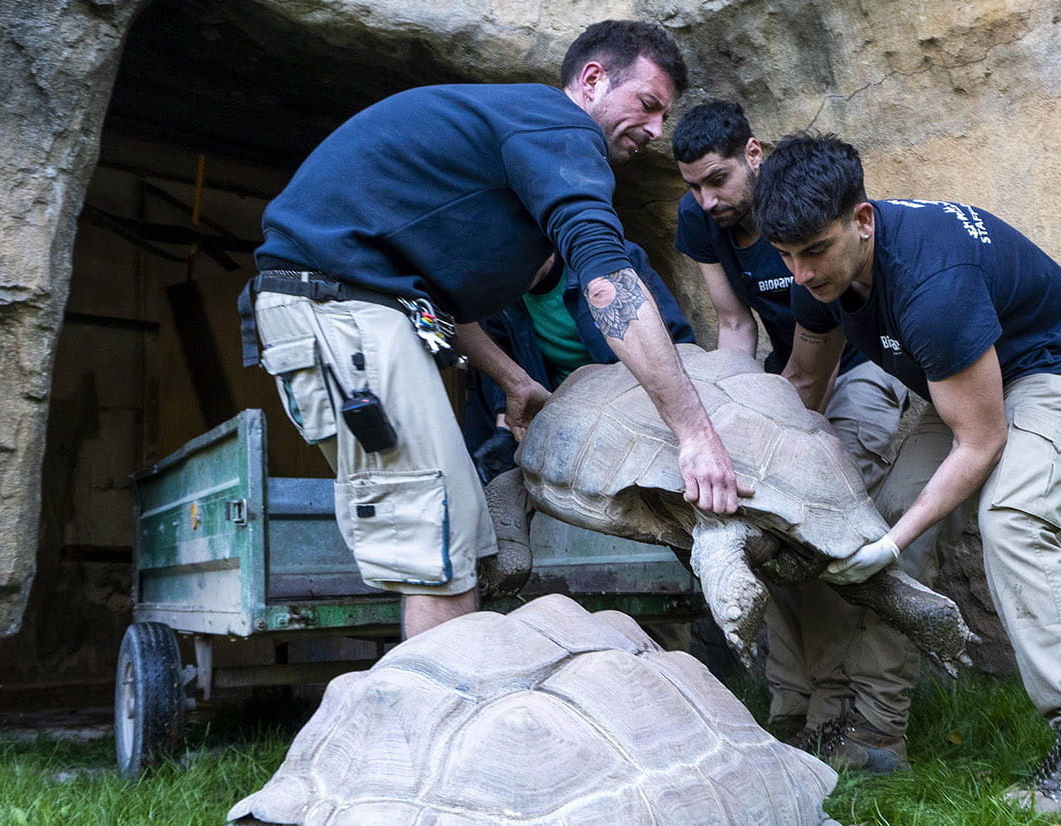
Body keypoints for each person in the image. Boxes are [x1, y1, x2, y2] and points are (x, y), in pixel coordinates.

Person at [242, 20, 746, 641]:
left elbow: (433, 300)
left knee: (464, 532)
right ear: (591, 81)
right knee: (441, 548)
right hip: (340, 307)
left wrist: (514, 380)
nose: (654, 130)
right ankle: (441, 731)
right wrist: (694, 434)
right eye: (647, 105)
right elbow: (606, 280)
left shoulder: (512, 137)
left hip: (366, 307)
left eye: (663, 116)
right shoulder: (558, 127)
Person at [754, 134, 1061, 815]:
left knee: (1011, 522)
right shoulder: (819, 273)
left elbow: (980, 442)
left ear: (862, 221)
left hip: (1050, 370)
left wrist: (890, 549)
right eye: (785, 256)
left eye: (813, 251)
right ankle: (874, 733)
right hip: (956, 380)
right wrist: (763, 482)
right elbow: (804, 380)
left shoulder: (933, 286)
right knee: (893, 518)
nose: (800, 273)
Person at [671, 102, 914, 765]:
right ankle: (793, 707)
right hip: (792, 371)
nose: (708, 199)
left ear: (754, 155)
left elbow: (839, 318)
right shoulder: (700, 219)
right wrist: (738, 424)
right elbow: (735, 326)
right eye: (694, 186)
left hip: (863, 362)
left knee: (812, 522)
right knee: (763, 519)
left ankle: (839, 710)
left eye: (718, 180)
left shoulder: (803, 202)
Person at [462, 243, 695, 483]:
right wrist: (504, 430)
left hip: (635, 410)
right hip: (555, 418)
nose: (503, 277)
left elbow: (676, 345)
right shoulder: (498, 292)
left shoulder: (610, 261)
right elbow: (501, 359)